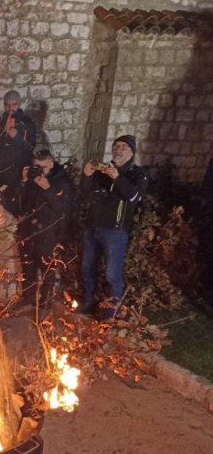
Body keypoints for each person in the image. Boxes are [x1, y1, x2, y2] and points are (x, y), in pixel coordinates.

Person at [80, 135, 148, 318]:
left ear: (132, 152)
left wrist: (117, 178)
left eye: (124, 147)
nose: (118, 149)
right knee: (87, 268)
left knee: (112, 275)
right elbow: (85, 192)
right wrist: (86, 175)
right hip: (92, 227)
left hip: (115, 232)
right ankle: (88, 302)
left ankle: (111, 312)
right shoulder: (103, 169)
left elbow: (135, 197)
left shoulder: (138, 173)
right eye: (116, 146)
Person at [18, 149, 75, 314]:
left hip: (49, 233)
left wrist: (47, 188)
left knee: (47, 272)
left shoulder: (62, 181)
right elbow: (21, 202)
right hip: (29, 231)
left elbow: (62, 207)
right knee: (27, 269)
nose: (40, 170)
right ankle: (27, 302)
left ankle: (45, 307)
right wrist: (23, 181)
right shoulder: (31, 178)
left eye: (43, 166)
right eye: (37, 166)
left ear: (51, 163)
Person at [0, 90, 37, 215]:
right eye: (7, 105)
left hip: (19, 171)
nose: (11, 108)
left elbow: (31, 146)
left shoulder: (27, 123)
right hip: (1, 170)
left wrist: (16, 136)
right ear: (4, 105)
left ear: (19, 104)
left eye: (14, 104)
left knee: (18, 203)